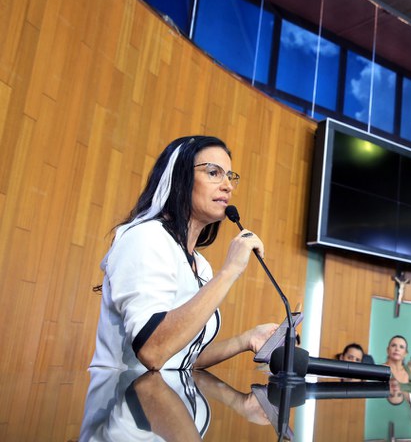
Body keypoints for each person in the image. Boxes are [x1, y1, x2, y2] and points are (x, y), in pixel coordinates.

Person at [89, 136, 278, 371]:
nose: (228, 186)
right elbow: (153, 351)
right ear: (180, 179)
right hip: (123, 392)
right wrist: (229, 271)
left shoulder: (201, 265)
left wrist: (247, 339)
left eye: (229, 176)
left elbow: (183, 357)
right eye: (213, 173)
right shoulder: (146, 237)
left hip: (164, 393)